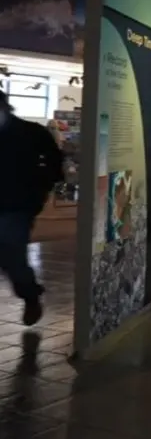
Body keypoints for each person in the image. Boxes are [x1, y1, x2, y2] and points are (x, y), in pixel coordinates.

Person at [0, 90, 64, 326]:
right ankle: (30, 292)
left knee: (12, 256)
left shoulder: (31, 133)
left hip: (17, 207)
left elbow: (55, 162)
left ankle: (30, 294)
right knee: (8, 256)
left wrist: (39, 192)